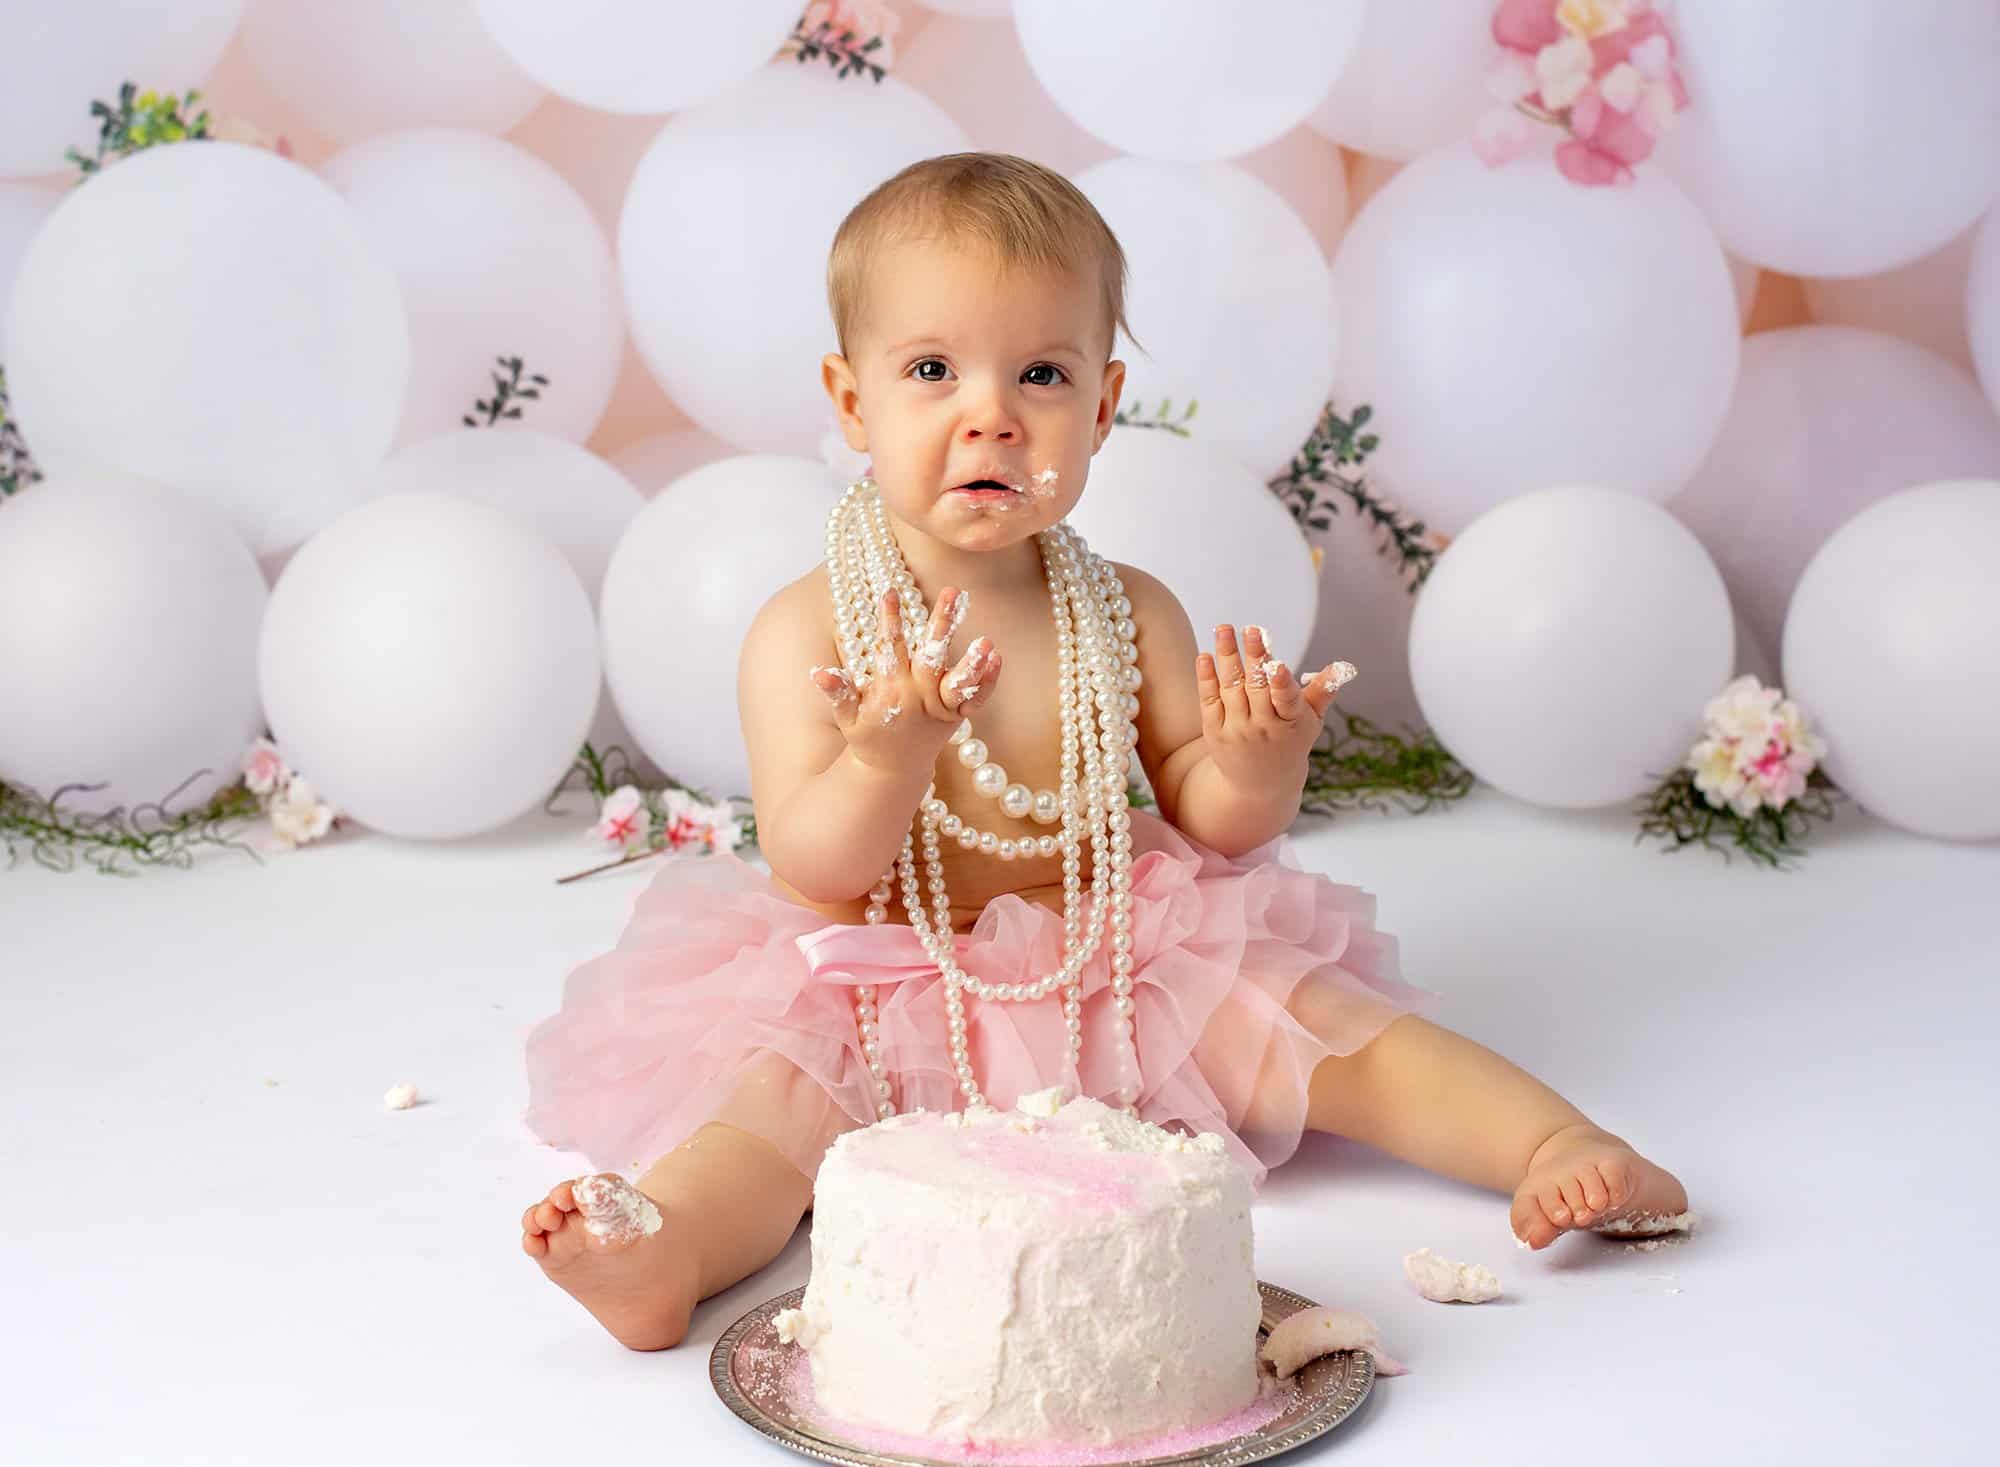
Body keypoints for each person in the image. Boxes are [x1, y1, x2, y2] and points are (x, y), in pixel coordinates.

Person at [518, 153, 1688, 1350]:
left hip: (1115, 950)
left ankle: (1556, 1143)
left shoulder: (1123, 608)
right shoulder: (809, 629)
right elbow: (813, 870)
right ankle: (664, 1251)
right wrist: (886, 757)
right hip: (881, 969)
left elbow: (1207, 817)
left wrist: (1253, 760)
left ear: (1101, 405)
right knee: (771, 1118)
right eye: (931, 371)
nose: (991, 413)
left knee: (1320, 1026)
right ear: (850, 398)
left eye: (1040, 373)